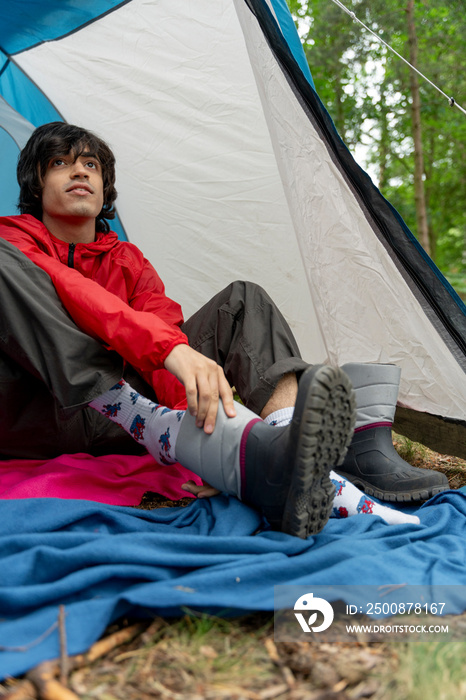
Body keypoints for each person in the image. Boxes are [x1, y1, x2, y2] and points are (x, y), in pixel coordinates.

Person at [0, 122, 447, 537]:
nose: (79, 171)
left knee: (241, 299)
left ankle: (289, 452)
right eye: (60, 162)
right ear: (36, 185)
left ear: (104, 187)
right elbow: (76, 291)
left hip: (125, 425)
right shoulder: (13, 241)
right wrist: (171, 350)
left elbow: (164, 344)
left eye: (91, 164)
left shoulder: (127, 261)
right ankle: (180, 429)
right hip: (42, 413)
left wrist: (205, 452)